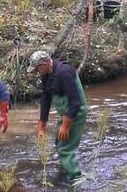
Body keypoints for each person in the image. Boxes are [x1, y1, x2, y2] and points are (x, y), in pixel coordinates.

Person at [28, 50, 88, 184]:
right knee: (59, 143)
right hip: (65, 113)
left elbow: (75, 102)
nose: (36, 72)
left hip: (76, 113)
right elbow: (45, 99)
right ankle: (66, 170)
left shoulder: (64, 72)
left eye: (37, 69)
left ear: (44, 64)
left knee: (65, 148)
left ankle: (77, 180)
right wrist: (41, 126)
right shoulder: (46, 76)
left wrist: (65, 126)